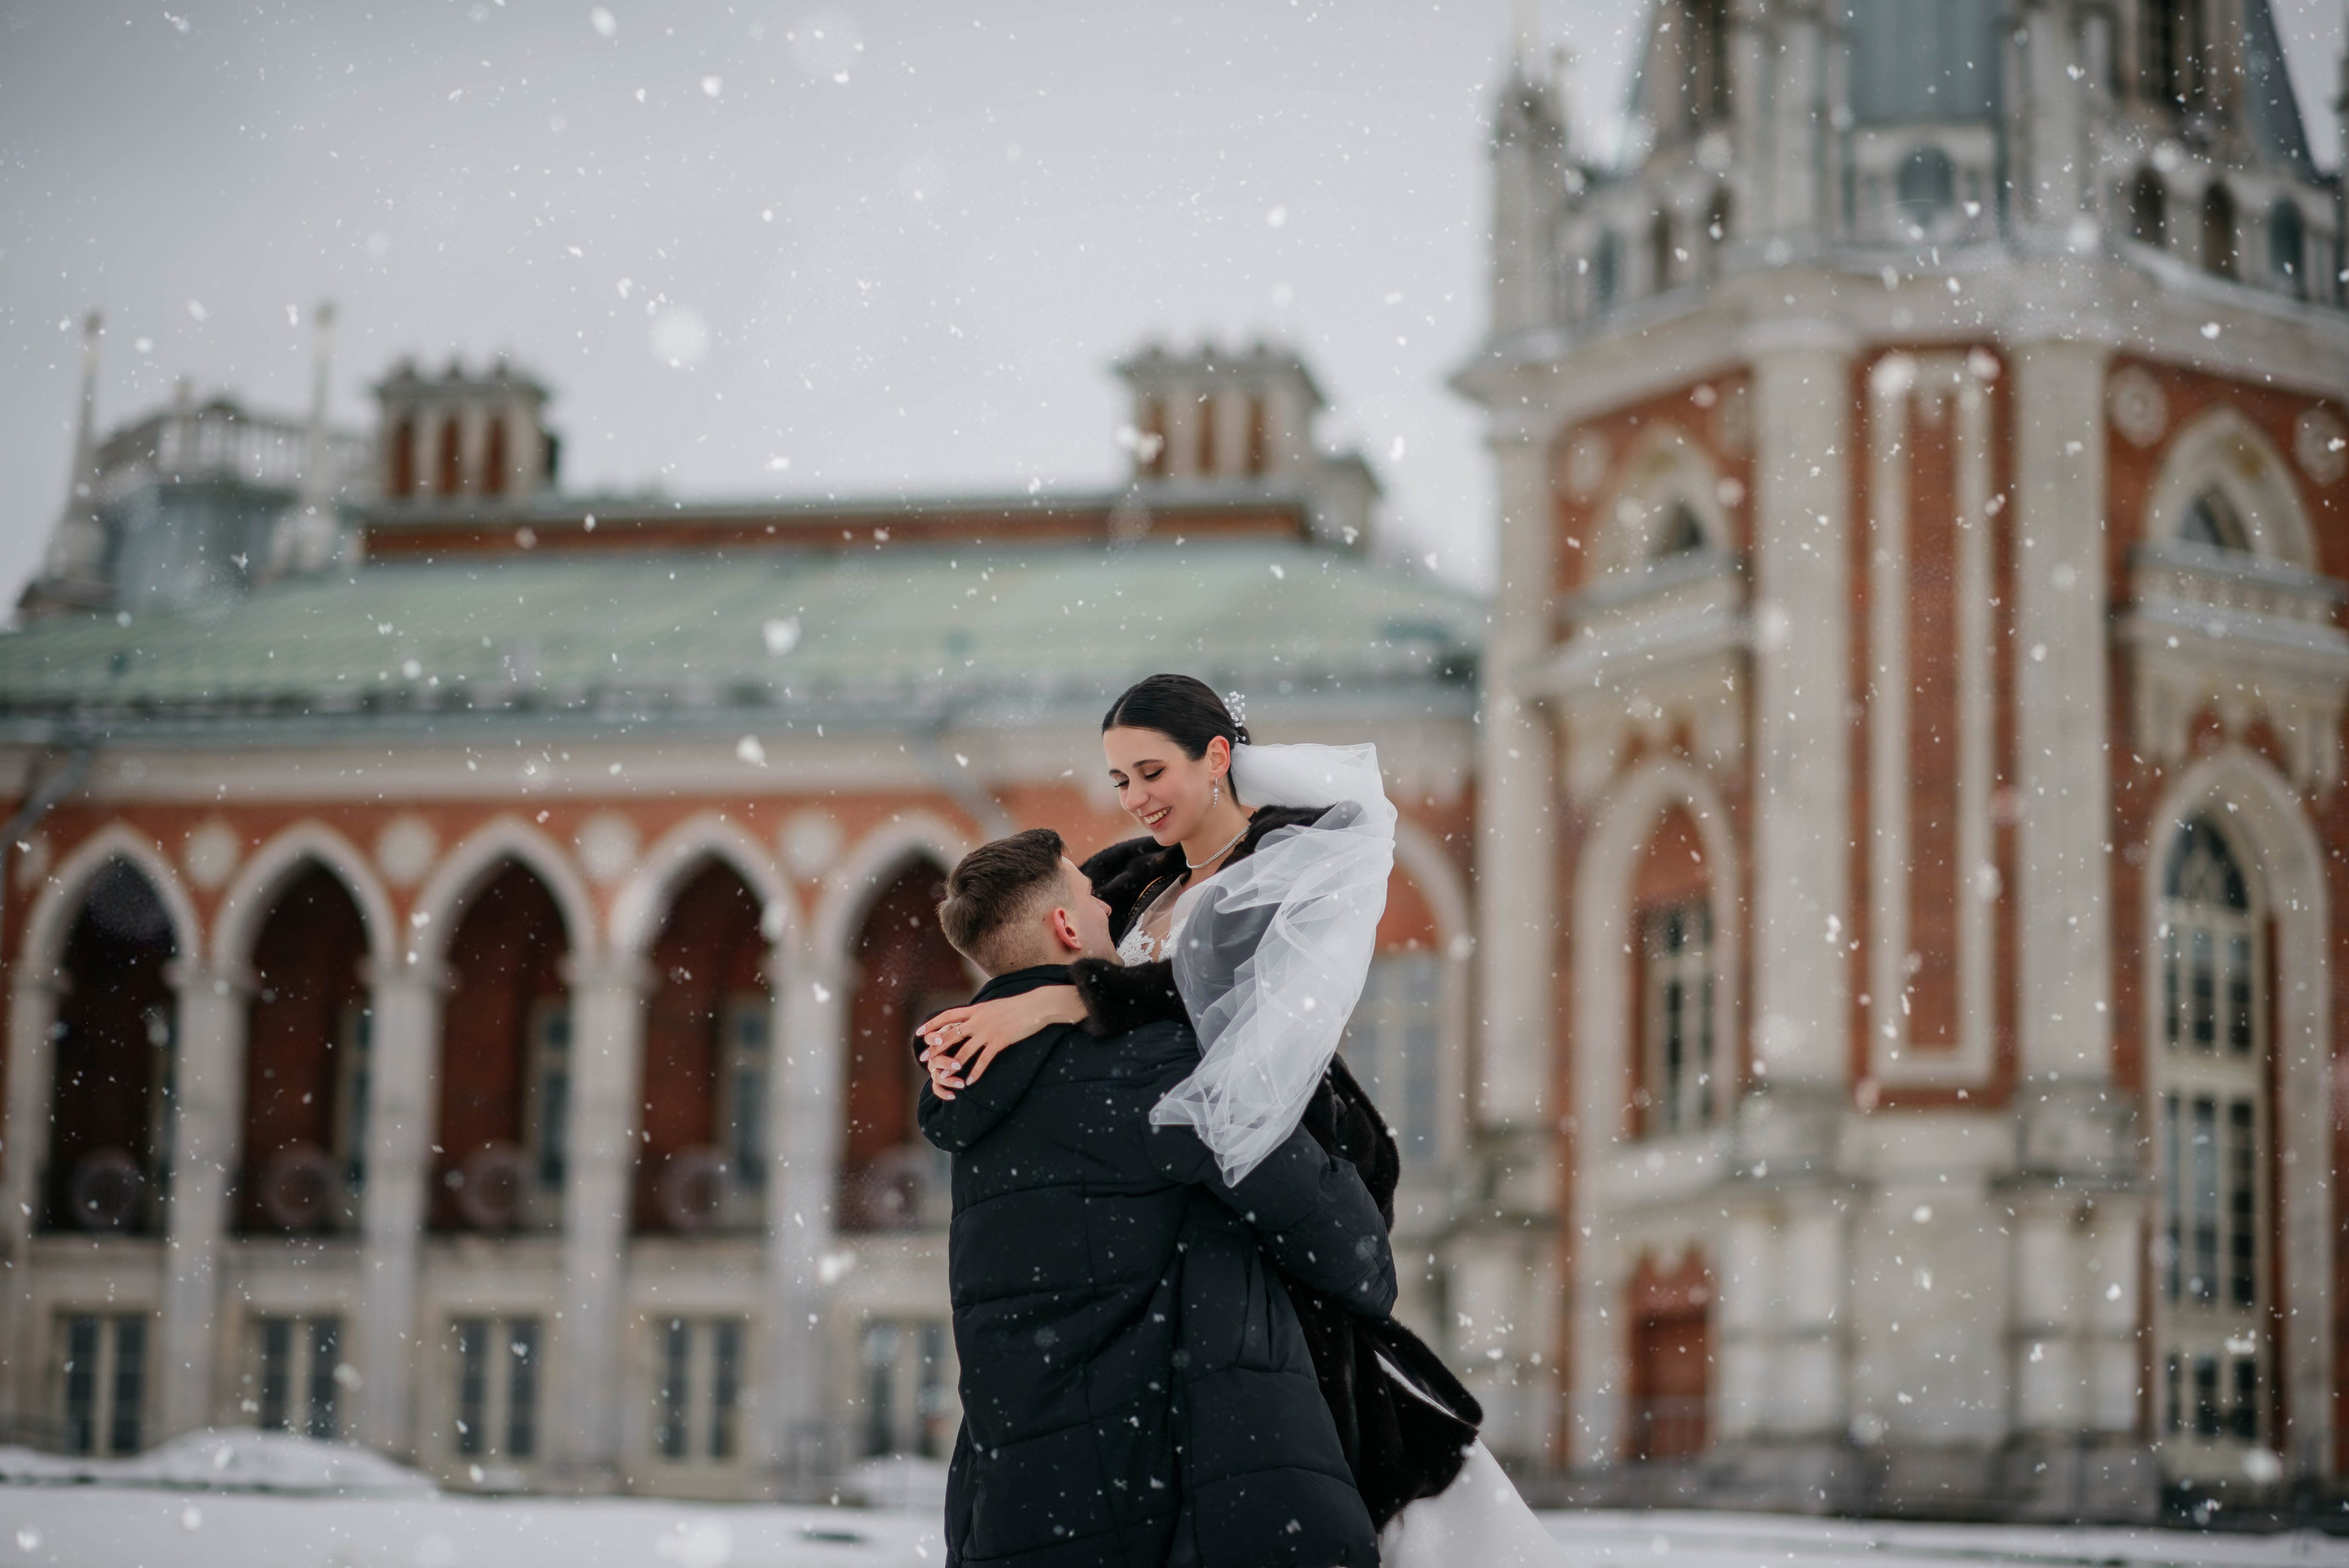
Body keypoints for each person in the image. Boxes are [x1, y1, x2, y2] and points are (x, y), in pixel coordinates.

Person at [921, 675, 1569, 1565]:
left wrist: (1060, 1001)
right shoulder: (1124, 880)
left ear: (1218, 756)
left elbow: (1219, 1014)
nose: (1134, 797)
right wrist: (1057, 995)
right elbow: (1067, 950)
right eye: (1118, 778)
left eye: (1151, 769)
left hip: (1239, 1222)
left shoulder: (1289, 870)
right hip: (1201, 1270)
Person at [921, 827, 1397, 1568]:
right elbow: (1348, 1246)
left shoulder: (978, 1088)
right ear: (1066, 925)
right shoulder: (1145, 1067)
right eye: (1089, 895)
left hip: (1016, 1508)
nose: (1111, 911)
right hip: (1170, 1510)